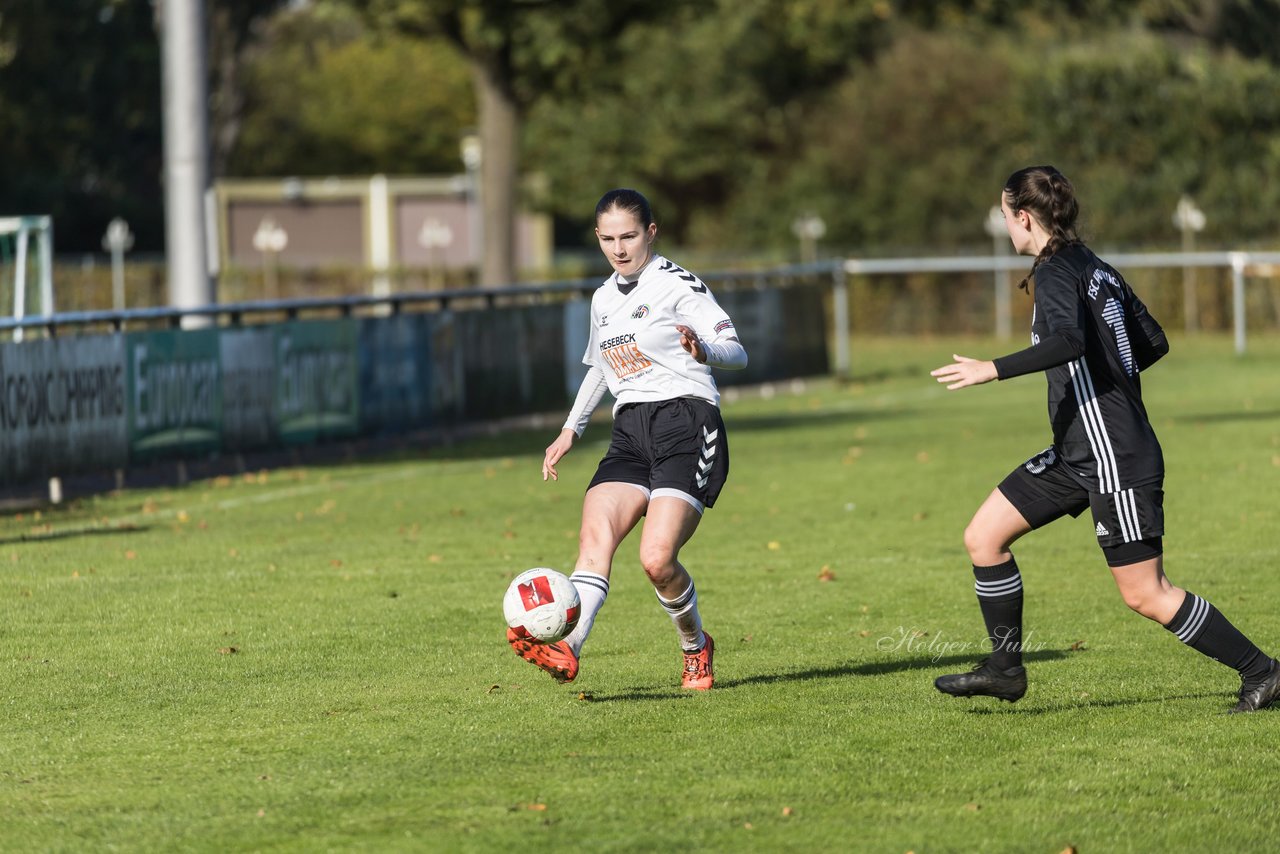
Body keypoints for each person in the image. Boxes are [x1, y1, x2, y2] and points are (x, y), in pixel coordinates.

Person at [929, 165, 1280, 713]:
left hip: (1112, 452)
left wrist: (991, 369)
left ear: (1024, 216)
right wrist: (1111, 370)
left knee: (1146, 593)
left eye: (1005, 216)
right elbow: (1153, 341)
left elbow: (1069, 339)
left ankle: (1264, 672)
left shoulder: (1053, 273)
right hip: (1076, 451)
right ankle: (1005, 670)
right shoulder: (1093, 265)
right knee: (984, 537)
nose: (1005, 227)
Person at [506, 188, 747, 690]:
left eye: (630, 236)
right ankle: (566, 647)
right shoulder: (602, 298)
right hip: (630, 431)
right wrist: (571, 429)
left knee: (657, 560)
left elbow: (737, 351)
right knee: (594, 542)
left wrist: (703, 349)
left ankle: (695, 645)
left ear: (651, 232)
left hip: (688, 422)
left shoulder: (678, 285)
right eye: (609, 239)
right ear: (597, 238)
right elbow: (600, 367)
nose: (619, 248)